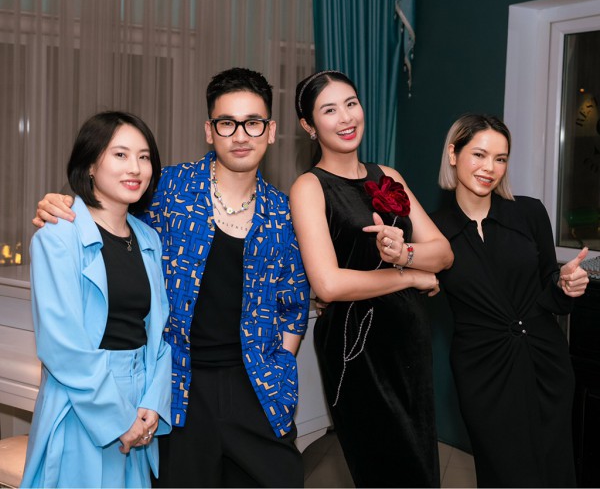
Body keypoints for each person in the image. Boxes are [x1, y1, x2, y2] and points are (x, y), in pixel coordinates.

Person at [32, 68, 310, 488]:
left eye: (253, 123)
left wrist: (277, 367)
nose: (240, 135)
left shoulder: (283, 212)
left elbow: (294, 303)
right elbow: (108, 213)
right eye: (227, 123)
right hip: (178, 386)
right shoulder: (168, 189)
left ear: (270, 131)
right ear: (209, 131)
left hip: (256, 385)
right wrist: (58, 205)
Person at [290, 70, 454, 487]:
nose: (346, 117)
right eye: (329, 110)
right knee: (384, 469)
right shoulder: (310, 187)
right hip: (356, 347)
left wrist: (405, 254)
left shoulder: (388, 175)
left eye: (351, 103)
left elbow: (443, 252)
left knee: (420, 466)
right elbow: (328, 285)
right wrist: (411, 277)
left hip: (409, 339)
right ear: (309, 125)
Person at [430, 114, 590, 488]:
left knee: (555, 472)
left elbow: (549, 290)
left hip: (545, 363)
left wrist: (565, 285)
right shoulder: (433, 230)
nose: (490, 168)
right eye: (479, 154)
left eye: (500, 158)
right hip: (482, 374)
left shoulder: (529, 213)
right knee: (504, 474)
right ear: (453, 154)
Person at [21, 111, 172, 488]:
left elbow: (157, 334)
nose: (135, 167)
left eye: (144, 157)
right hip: (83, 402)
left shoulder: (148, 238)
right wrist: (119, 419)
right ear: (90, 165)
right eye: (120, 154)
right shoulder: (58, 236)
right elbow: (61, 345)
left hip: (139, 402)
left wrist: (152, 402)